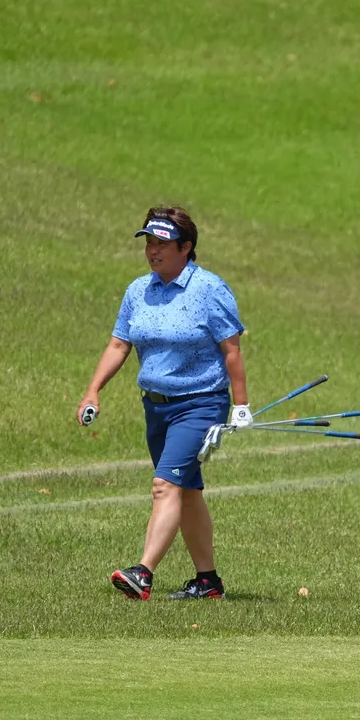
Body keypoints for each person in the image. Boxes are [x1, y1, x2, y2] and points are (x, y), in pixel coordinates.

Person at [77, 206, 252, 601]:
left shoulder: (209, 289)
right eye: (149, 243)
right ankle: (208, 582)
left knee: (165, 485)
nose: (152, 251)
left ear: (185, 247)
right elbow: (119, 344)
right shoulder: (138, 291)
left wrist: (240, 405)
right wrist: (93, 390)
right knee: (186, 490)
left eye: (162, 244)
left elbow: (231, 350)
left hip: (200, 404)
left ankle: (143, 573)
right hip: (156, 407)